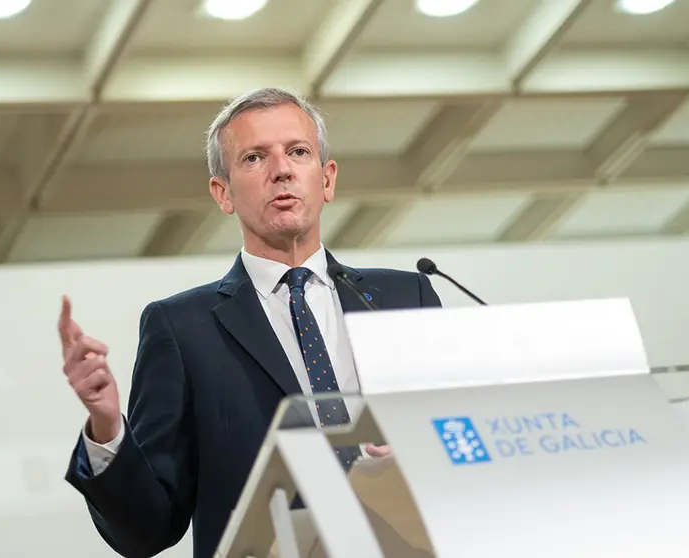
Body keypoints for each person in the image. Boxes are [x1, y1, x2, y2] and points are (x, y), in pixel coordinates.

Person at [59, 87, 442, 558]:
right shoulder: (181, 329)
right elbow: (146, 531)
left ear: (327, 179)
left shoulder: (408, 298)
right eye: (255, 158)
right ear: (223, 193)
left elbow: (453, 442)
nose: (282, 169)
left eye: (298, 152)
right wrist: (106, 426)